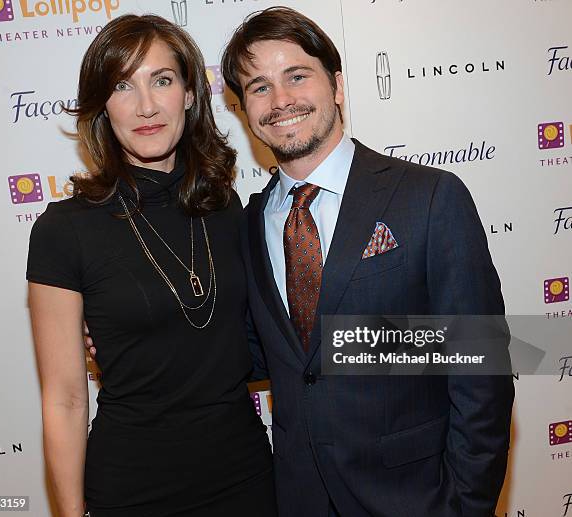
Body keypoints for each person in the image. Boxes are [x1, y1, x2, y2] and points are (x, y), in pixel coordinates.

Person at [219, 7, 514, 517]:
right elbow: (260, 353)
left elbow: (481, 370)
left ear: (336, 85)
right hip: (298, 498)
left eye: (296, 76)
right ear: (244, 108)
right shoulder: (247, 224)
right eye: (259, 87)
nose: (281, 100)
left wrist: (465, 506)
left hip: (416, 499)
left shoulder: (429, 197)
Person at [27, 14, 276, 517]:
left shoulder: (227, 208)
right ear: (103, 106)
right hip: (131, 488)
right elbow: (66, 398)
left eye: (161, 80)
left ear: (188, 92)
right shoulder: (64, 229)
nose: (145, 106)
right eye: (123, 85)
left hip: (245, 477)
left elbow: (259, 338)